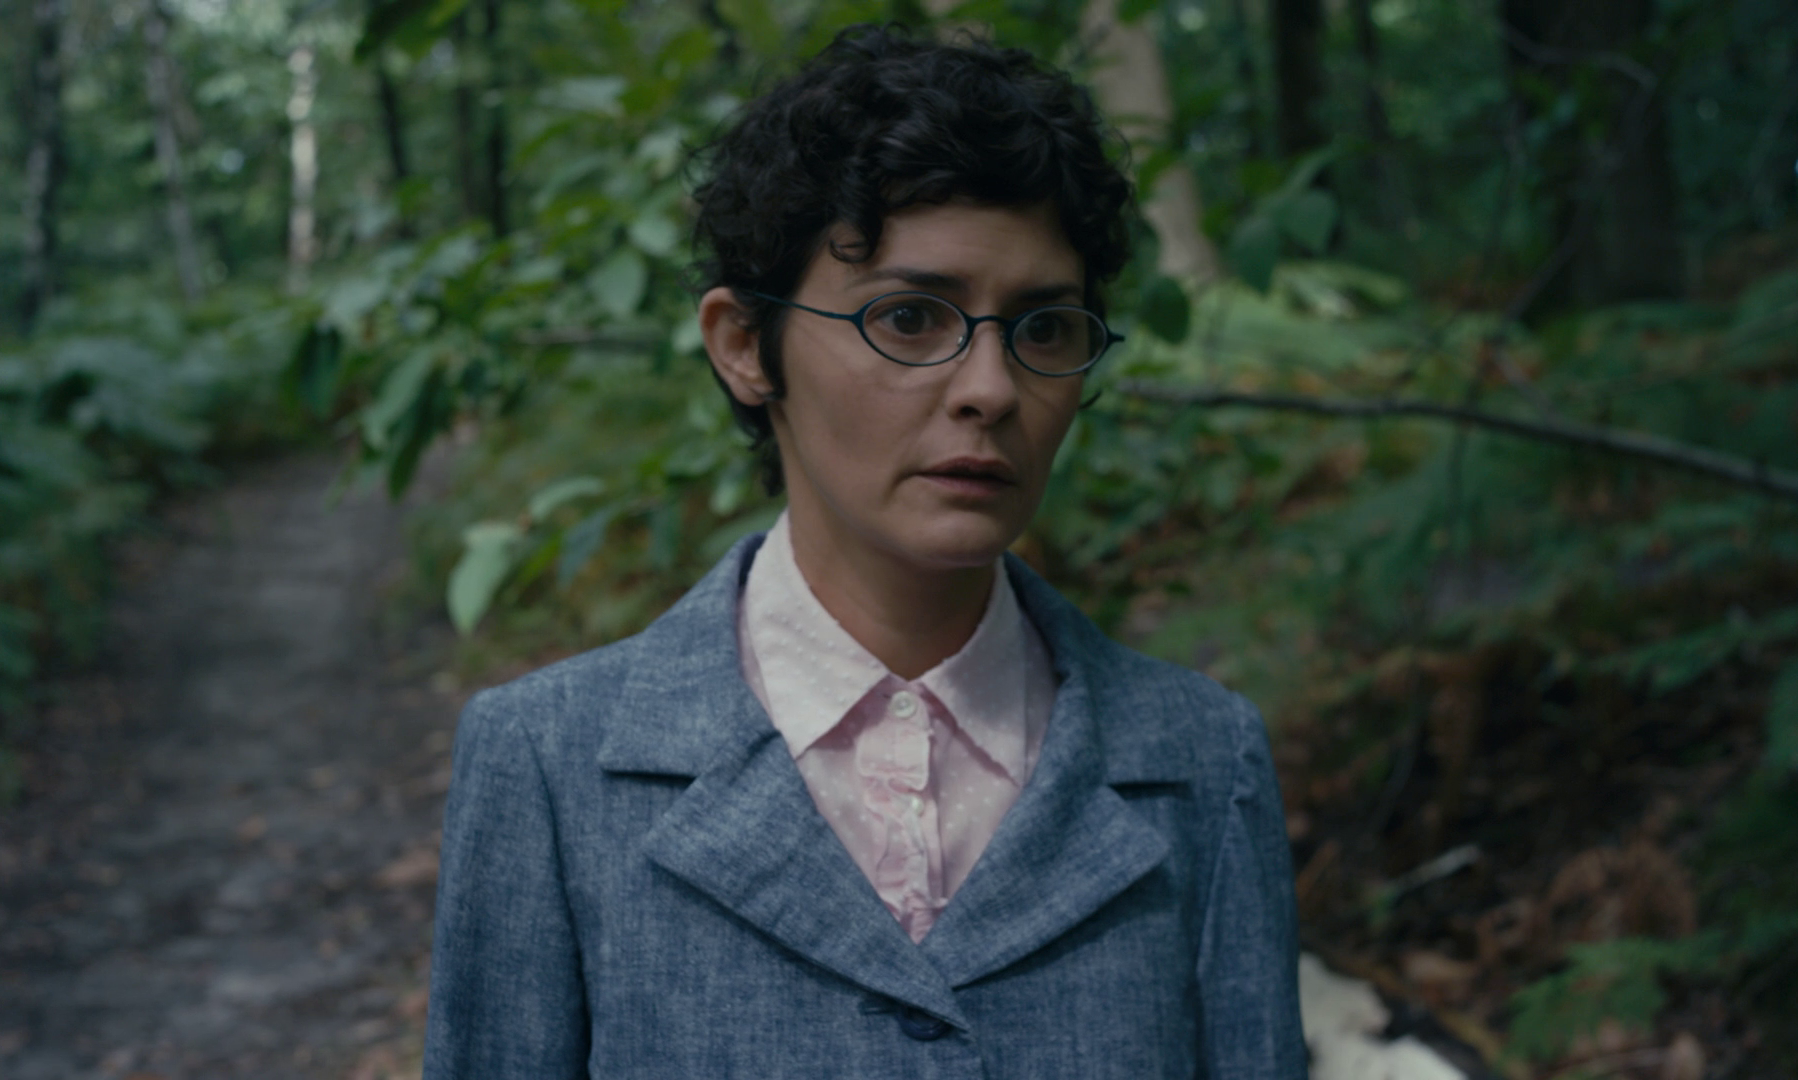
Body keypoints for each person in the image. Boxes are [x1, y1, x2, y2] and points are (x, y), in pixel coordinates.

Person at [423, 24, 1305, 1079]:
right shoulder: (548, 764)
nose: (990, 389)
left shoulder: (1202, 761)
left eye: (1044, 329)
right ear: (745, 346)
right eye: (910, 318)